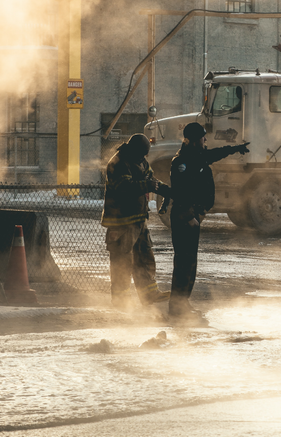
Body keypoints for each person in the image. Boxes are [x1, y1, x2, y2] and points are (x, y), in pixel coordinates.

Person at [168, 122, 249, 324]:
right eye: (203, 138)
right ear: (194, 140)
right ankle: (177, 308)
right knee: (183, 264)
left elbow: (216, 153)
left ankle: (183, 303)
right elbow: (180, 193)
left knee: (190, 263)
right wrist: (190, 217)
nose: (206, 141)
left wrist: (236, 149)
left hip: (194, 216)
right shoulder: (182, 162)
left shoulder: (198, 156)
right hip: (184, 218)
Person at [101, 133, 172, 310]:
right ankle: (121, 302)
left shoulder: (140, 161)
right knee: (122, 262)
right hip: (121, 223)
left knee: (144, 258)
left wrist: (166, 190)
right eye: (142, 154)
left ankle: (149, 294)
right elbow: (124, 188)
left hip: (138, 220)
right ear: (134, 150)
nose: (144, 158)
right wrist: (147, 185)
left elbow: (151, 180)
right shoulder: (118, 163)